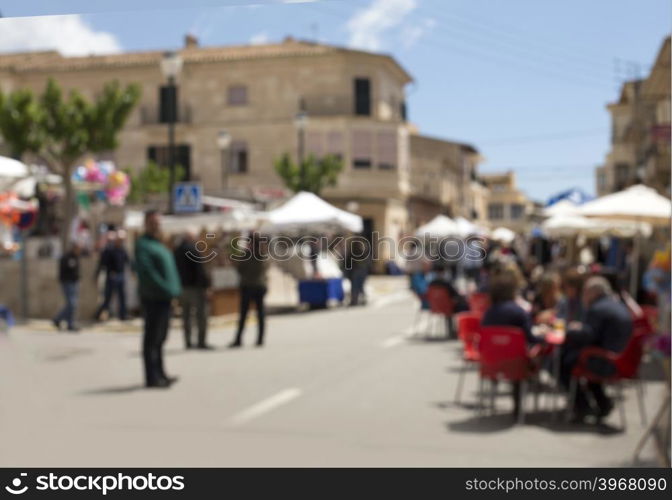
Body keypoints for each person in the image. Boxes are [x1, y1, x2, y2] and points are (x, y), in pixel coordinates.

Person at [561, 276, 633, 422]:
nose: (583, 296)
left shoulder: (597, 309)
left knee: (564, 363)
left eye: (585, 292)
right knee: (577, 359)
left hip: (606, 361)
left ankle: (582, 406)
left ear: (593, 292)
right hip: (621, 358)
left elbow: (588, 336)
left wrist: (571, 329)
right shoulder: (617, 304)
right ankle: (603, 403)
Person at [481, 271, 539, 418]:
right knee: (528, 358)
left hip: (491, 362)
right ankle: (519, 407)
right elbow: (531, 338)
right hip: (516, 364)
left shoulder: (488, 313)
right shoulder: (519, 313)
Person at [135, 210, 182, 388]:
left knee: (160, 338)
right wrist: (166, 287)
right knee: (152, 338)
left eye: (158, 222)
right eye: (153, 222)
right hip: (154, 297)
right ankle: (152, 377)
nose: (157, 225)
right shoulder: (143, 245)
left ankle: (161, 373)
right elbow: (148, 272)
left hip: (164, 297)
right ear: (146, 223)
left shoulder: (158, 244)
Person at [174, 229, 212, 350]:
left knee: (186, 316)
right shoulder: (193, 250)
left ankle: (188, 341)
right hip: (195, 288)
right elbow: (199, 270)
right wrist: (206, 286)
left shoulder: (177, 251)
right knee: (201, 315)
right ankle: (201, 341)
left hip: (182, 287)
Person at [230, 232, 270, 348]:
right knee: (260, 313)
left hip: (248, 286)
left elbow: (240, 269)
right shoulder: (262, 254)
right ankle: (260, 339)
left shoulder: (247, 254)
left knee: (244, 314)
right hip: (260, 286)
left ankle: (238, 339)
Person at [94, 230, 131, 321]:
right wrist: (97, 274)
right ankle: (98, 314)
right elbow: (102, 263)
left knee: (122, 297)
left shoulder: (122, 249)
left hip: (120, 276)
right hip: (111, 276)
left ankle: (123, 315)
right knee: (108, 298)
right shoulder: (109, 249)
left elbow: (128, 261)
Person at [53, 242, 82, 332]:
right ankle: (60, 319)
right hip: (67, 283)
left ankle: (66, 322)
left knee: (72, 305)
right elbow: (65, 271)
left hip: (74, 283)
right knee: (71, 304)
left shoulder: (75, 257)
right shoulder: (67, 257)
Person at [344, 238, 371, 306]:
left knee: (356, 286)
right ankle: (358, 299)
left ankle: (356, 300)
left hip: (357, 272)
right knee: (359, 286)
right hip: (359, 272)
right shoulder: (363, 253)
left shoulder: (356, 253)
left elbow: (347, 263)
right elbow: (369, 264)